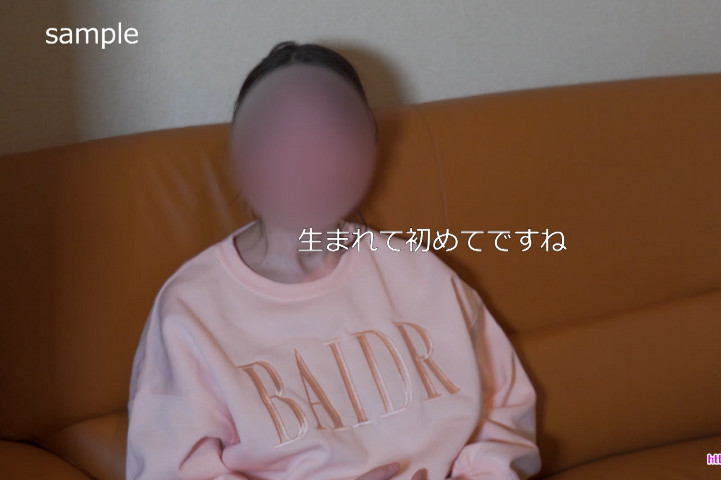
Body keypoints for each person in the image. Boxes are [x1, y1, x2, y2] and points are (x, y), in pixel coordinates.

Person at [125, 41, 540, 480]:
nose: (306, 158)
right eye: (278, 135)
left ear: (370, 148)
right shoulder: (190, 309)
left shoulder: (420, 272)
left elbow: (504, 414)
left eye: (333, 134)